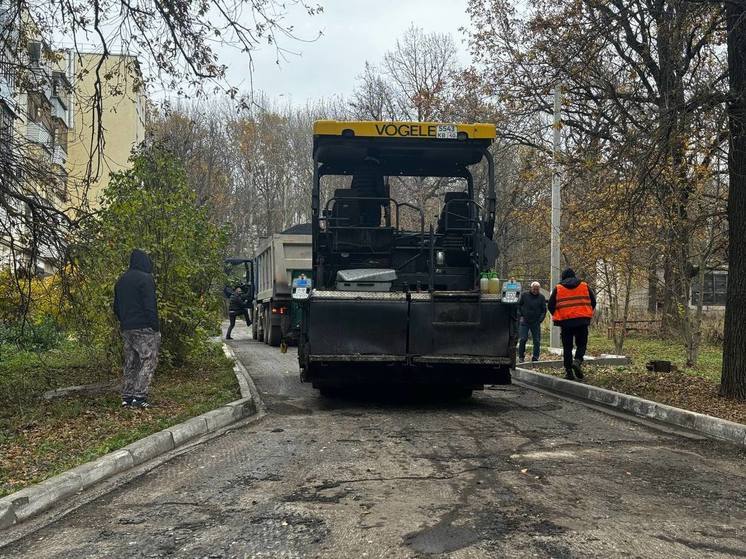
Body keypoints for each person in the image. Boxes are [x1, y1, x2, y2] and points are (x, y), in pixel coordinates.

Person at [114, 249, 161, 408]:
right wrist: (155, 327)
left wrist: (125, 321)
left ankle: (127, 397)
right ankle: (140, 398)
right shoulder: (145, 278)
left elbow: (116, 307)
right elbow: (150, 306)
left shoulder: (121, 280)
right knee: (149, 360)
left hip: (127, 328)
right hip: (144, 328)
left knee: (130, 363)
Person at [548, 268, 596, 381]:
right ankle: (578, 361)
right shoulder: (584, 286)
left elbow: (550, 305)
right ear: (574, 276)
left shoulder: (558, 288)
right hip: (582, 321)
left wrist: (559, 316)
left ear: (563, 277)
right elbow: (593, 301)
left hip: (566, 323)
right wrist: (586, 313)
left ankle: (569, 372)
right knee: (582, 344)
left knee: (567, 347)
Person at [517, 281, 547, 363]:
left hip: (535, 322)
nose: (535, 291)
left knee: (536, 340)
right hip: (525, 321)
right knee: (523, 339)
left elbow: (544, 310)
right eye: (534, 289)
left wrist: (540, 319)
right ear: (531, 288)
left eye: (537, 289)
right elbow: (518, 306)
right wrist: (521, 316)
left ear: (539, 289)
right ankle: (521, 356)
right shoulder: (524, 295)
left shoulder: (541, 297)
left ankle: (535, 357)